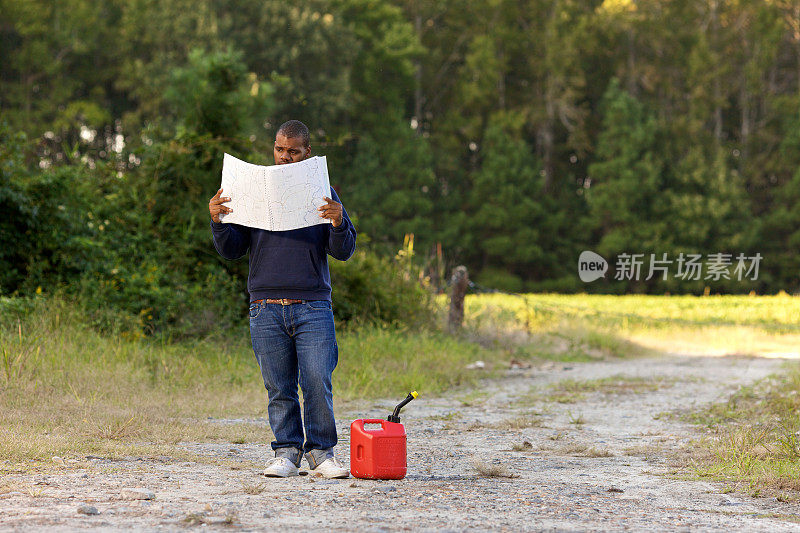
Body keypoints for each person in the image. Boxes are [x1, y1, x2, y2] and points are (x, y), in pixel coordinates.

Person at [208, 120, 356, 478]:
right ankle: (286, 452)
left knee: (317, 381)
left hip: (313, 305)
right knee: (278, 387)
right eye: (279, 149)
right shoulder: (252, 191)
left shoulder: (324, 191)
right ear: (273, 148)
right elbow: (232, 250)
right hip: (265, 305)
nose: (285, 157)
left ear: (307, 152)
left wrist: (338, 223)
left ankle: (322, 454)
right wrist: (217, 221)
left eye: (293, 151)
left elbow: (344, 251)